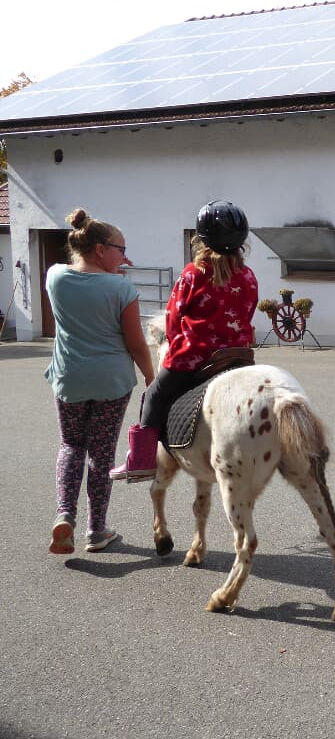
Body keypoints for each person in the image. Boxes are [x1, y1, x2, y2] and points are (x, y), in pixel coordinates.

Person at [109, 200, 258, 481]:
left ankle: (141, 461)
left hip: (195, 355)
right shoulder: (248, 275)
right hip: (238, 355)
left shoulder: (193, 273)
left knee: (154, 395)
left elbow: (175, 317)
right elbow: (249, 312)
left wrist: (172, 347)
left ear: (201, 240)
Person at [46, 208, 155, 554]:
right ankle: (97, 530)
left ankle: (65, 514)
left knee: (71, 445)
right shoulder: (122, 287)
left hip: (70, 378)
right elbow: (136, 343)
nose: (125, 256)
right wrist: (152, 377)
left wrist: (111, 270)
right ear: (100, 249)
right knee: (102, 452)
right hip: (111, 381)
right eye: (120, 250)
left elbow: (83, 284)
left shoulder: (55, 276)